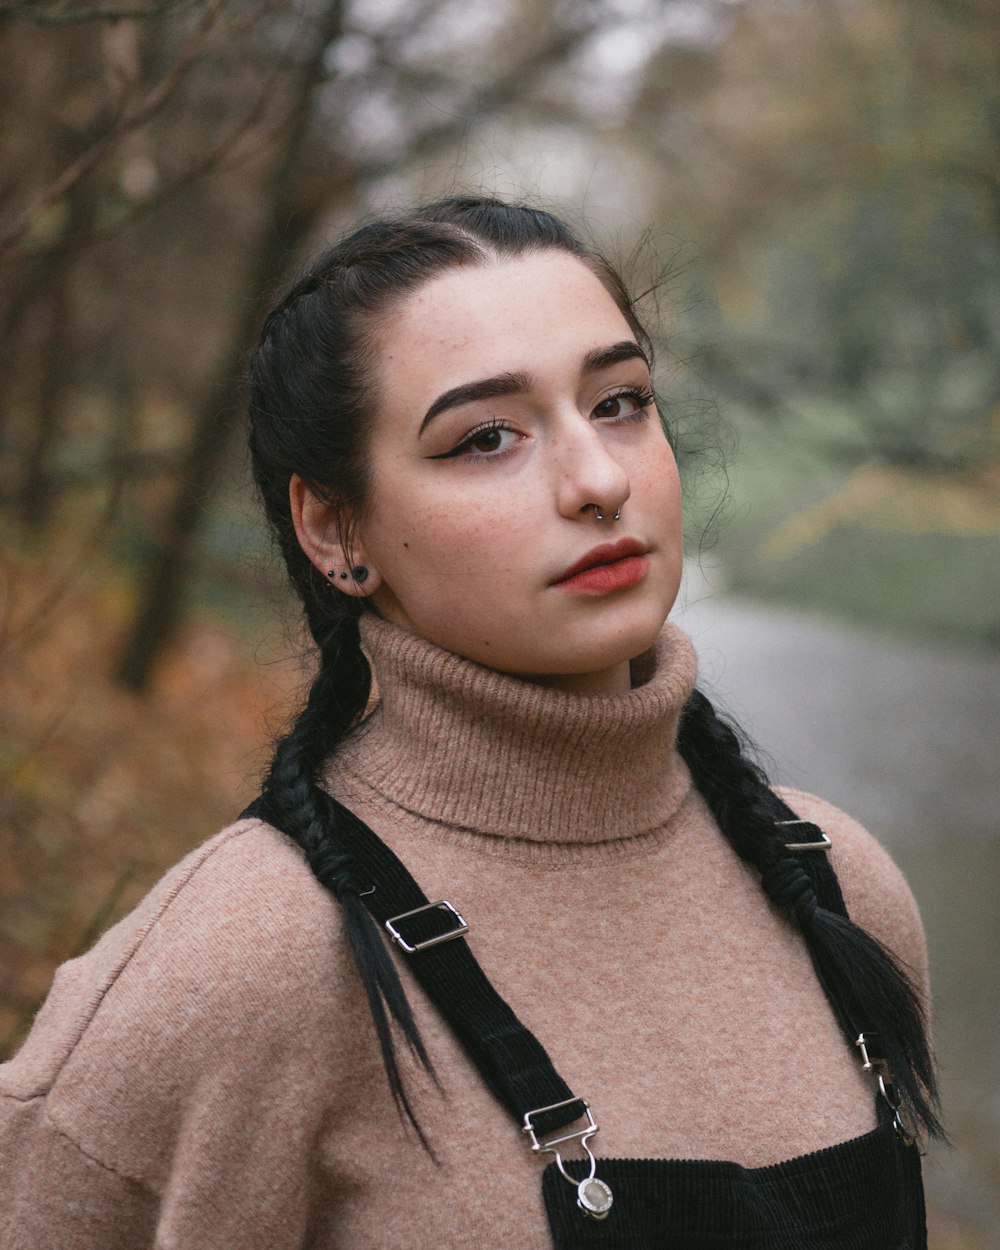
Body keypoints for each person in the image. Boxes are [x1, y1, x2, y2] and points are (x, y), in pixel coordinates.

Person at [0, 197, 940, 1249]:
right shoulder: (241, 966)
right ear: (333, 526)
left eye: (620, 401)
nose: (596, 479)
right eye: (486, 436)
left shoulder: (834, 884)